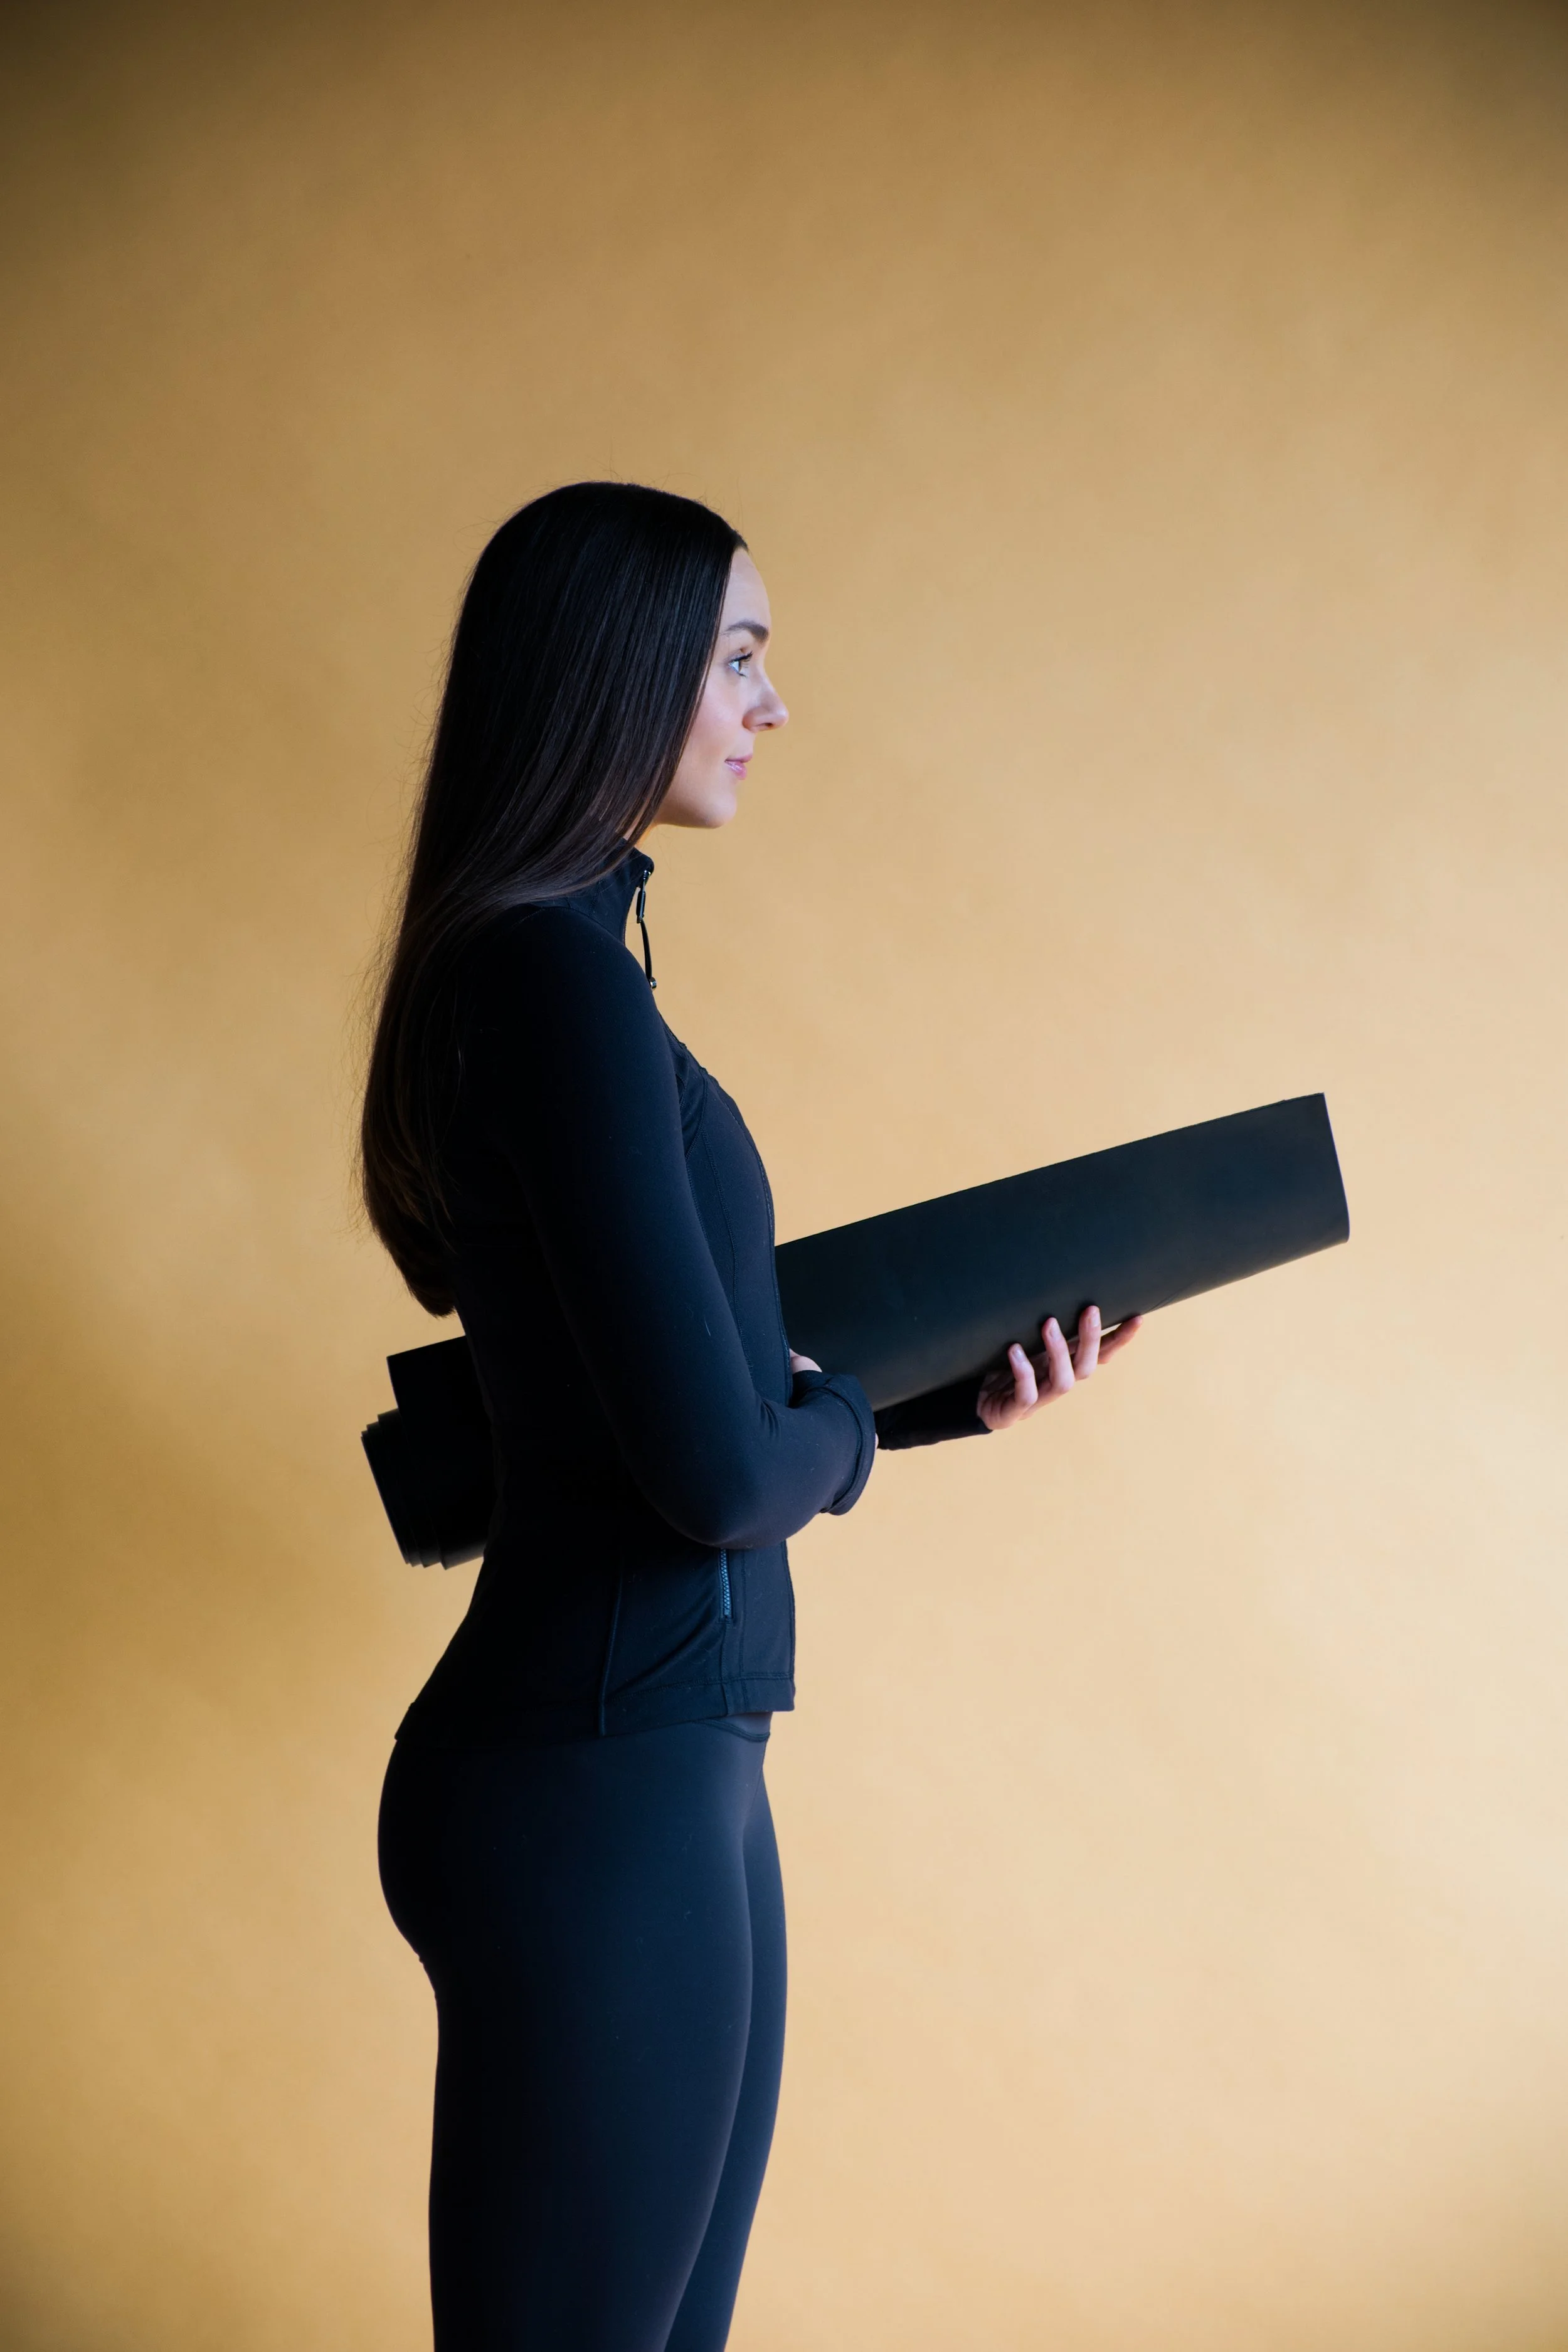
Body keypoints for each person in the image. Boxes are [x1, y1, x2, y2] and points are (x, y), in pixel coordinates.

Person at [361, 482, 1139, 2351]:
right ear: (613, 673)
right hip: (599, 1784)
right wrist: (855, 1430)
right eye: (736, 655)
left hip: (651, 1766)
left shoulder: (561, 973)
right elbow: (721, 1468)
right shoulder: (551, 986)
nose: (769, 704)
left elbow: (661, 1403)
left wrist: (947, 1397)